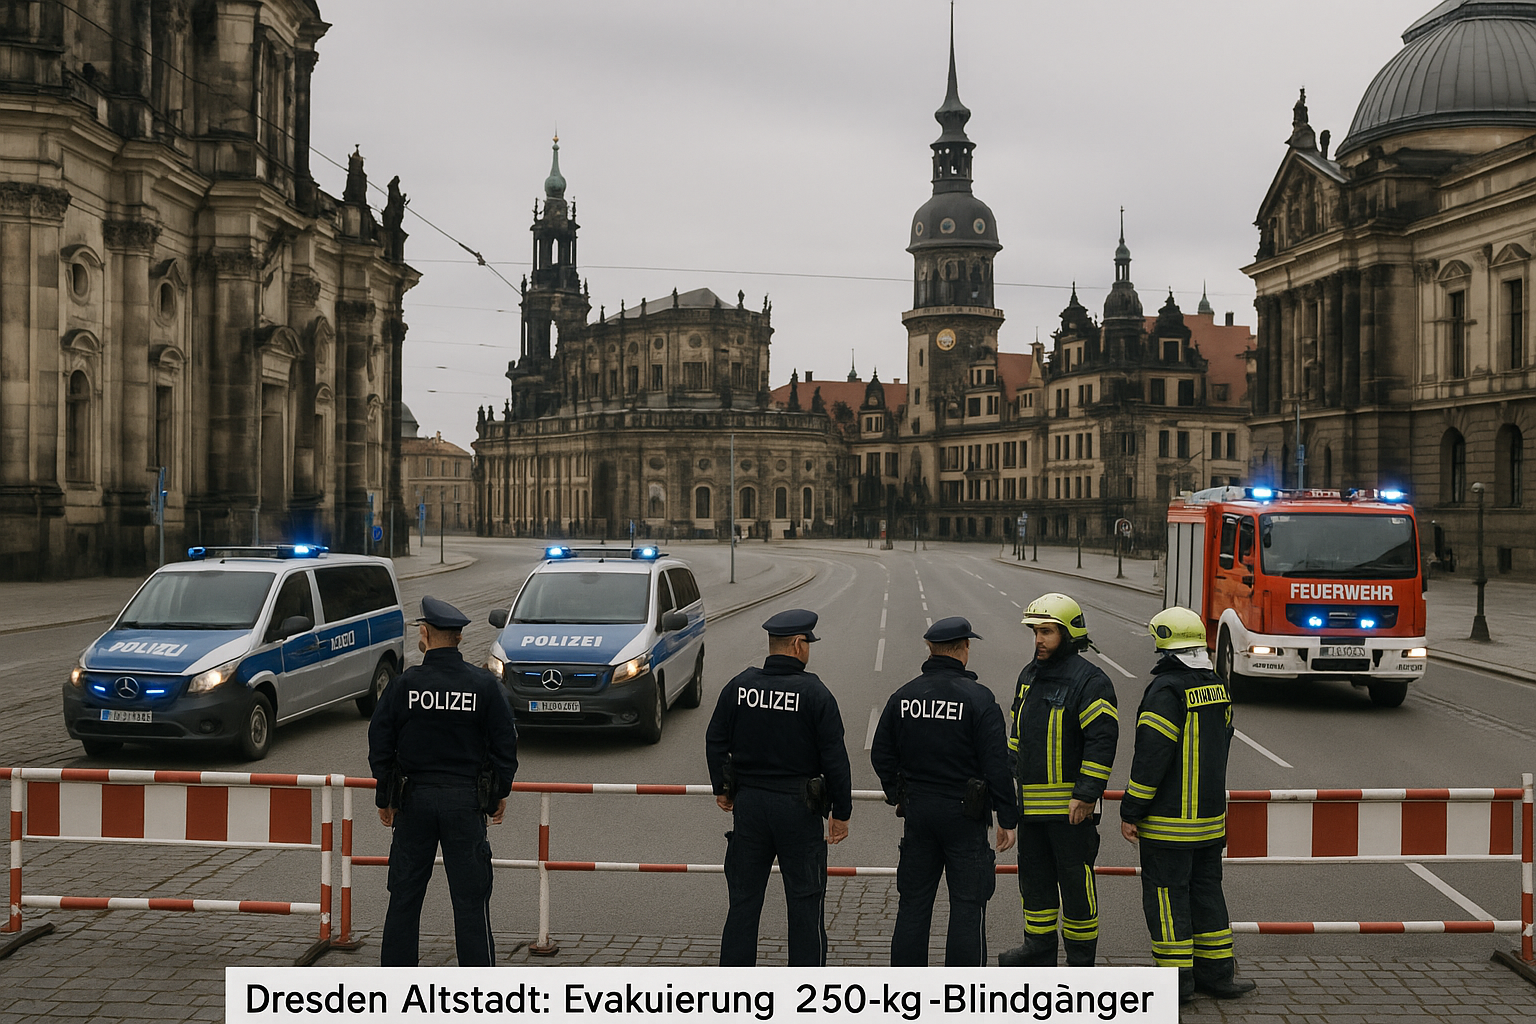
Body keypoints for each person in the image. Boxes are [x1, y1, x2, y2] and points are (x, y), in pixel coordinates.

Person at [367, 596, 519, 966]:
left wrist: (385, 797)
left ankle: (396, 987)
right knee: (471, 901)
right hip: (464, 804)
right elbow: (505, 744)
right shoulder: (483, 685)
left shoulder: (404, 686)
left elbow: (380, 743)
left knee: (404, 897)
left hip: (413, 802)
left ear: (425, 633)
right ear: (460, 638)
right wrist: (497, 792)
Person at [1120, 607, 1256, 1003]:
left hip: (1168, 825)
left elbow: (1151, 760)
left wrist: (1131, 810)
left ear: (1165, 644)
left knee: (1167, 898)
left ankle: (1176, 983)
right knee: (1207, 894)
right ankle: (1217, 975)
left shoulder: (1165, 692)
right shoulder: (1216, 686)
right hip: (1210, 822)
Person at [705, 608, 853, 966]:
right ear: (799, 645)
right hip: (798, 809)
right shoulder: (815, 693)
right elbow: (835, 759)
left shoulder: (739, 686)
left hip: (750, 807)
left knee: (743, 903)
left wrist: (722, 787)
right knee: (805, 904)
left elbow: (715, 739)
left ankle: (733, 992)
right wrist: (841, 813)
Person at [871, 616, 1018, 966]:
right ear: (965, 649)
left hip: (919, 814)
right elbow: (997, 765)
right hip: (965, 816)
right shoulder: (980, 700)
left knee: (914, 905)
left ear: (930, 650)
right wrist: (1007, 817)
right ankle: (961, 995)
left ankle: (907, 992)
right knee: (968, 906)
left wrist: (898, 794)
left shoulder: (904, 696)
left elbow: (881, 753)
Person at [998, 593, 1119, 967]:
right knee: (1033, 884)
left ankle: (1081, 960)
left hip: (1072, 814)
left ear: (1069, 634)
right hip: (1031, 812)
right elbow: (1016, 735)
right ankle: (1038, 948)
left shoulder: (1091, 681)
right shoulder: (1029, 675)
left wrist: (1085, 795)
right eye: (1035, 632)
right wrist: (1006, 793)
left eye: (1047, 632)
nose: (1038, 640)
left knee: (1076, 888)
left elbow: (1102, 743)